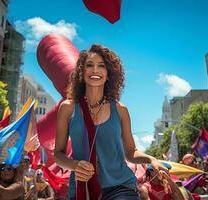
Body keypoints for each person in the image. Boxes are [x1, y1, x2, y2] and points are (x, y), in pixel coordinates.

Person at [54, 44, 168, 200]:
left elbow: (131, 152)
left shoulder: (120, 110)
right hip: (83, 189)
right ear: (81, 72)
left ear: (109, 74)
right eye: (89, 65)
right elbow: (58, 155)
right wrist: (74, 165)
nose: (95, 70)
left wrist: (151, 159)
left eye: (101, 66)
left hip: (121, 187)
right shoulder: (67, 108)